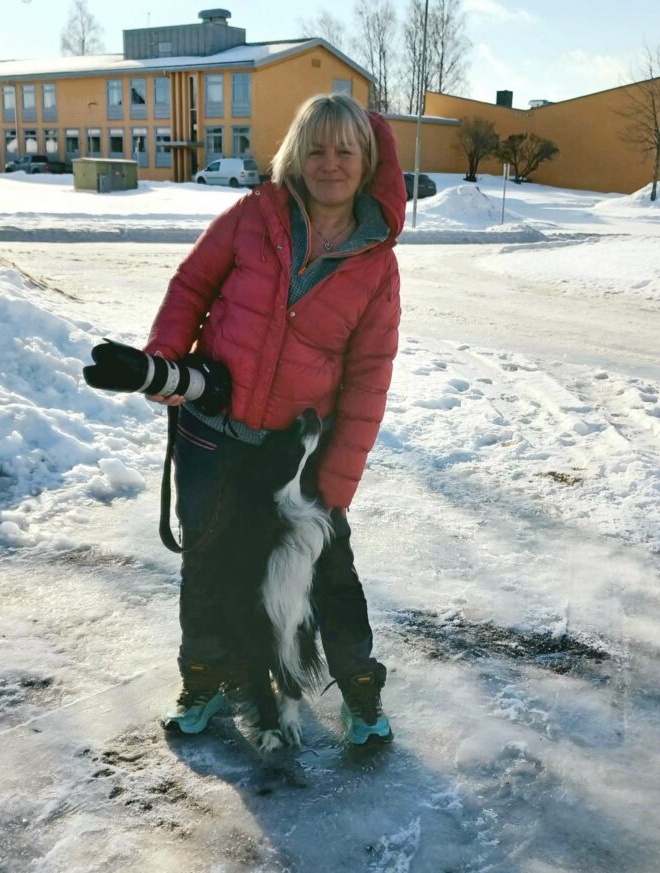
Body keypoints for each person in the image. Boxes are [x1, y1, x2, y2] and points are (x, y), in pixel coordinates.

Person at [142, 93, 405, 746]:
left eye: (345, 149)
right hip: (215, 433)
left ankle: (360, 691)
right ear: (296, 154)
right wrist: (164, 359)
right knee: (207, 563)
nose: (330, 162)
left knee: (327, 572)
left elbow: (370, 375)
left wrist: (336, 484)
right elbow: (191, 286)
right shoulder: (253, 217)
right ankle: (205, 679)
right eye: (316, 147)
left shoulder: (376, 264)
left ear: (366, 160)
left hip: (300, 452)